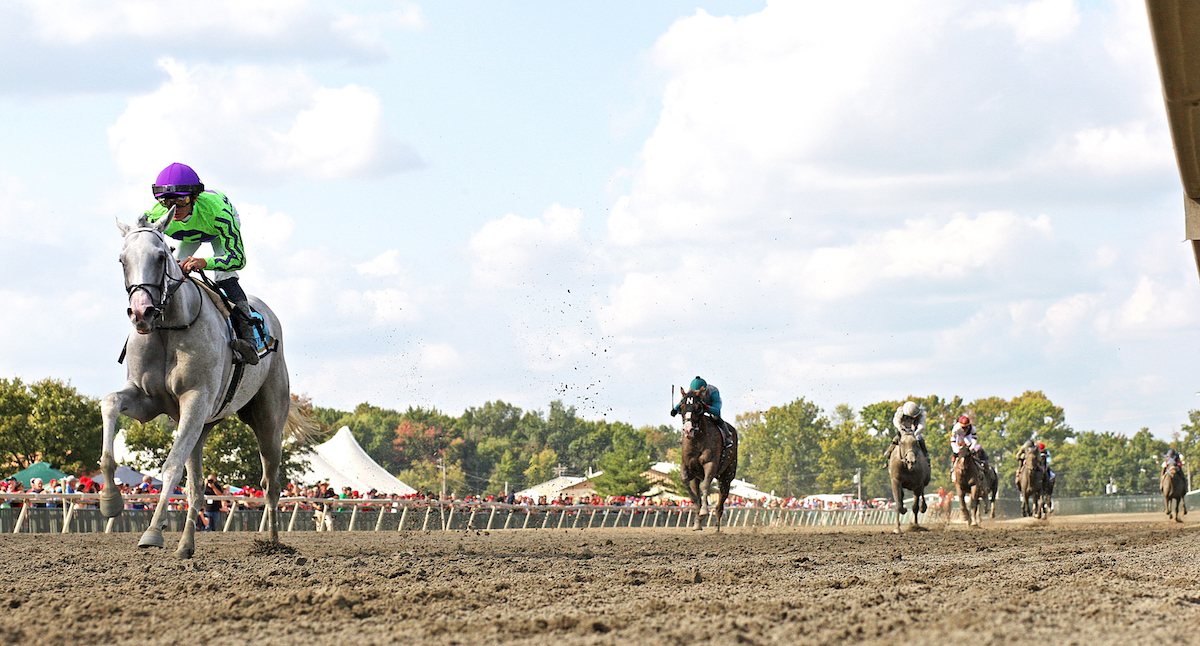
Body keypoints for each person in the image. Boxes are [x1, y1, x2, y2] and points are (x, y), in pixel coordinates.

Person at [143, 162, 259, 365]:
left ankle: (248, 339)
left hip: (213, 227)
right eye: (167, 202)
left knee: (225, 276)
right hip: (190, 234)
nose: (174, 209)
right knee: (171, 272)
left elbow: (238, 259)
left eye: (182, 200)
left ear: (195, 197)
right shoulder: (153, 217)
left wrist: (205, 262)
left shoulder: (220, 215)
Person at [670, 376, 734, 450]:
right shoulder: (689, 393)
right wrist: (675, 409)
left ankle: (727, 436)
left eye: (700, 393)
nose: (698, 395)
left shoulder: (713, 392)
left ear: (705, 390)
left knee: (715, 417)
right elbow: (682, 404)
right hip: (697, 406)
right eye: (695, 393)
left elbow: (717, 411)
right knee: (689, 415)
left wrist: (706, 407)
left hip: (710, 405)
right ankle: (684, 434)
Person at [949, 415, 983, 481]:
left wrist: (972, 447)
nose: (964, 429)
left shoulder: (972, 428)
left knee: (973, 453)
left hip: (968, 437)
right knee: (955, 455)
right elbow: (952, 440)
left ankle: (979, 468)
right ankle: (952, 469)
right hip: (958, 438)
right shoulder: (956, 428)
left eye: (966, 427)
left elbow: (974, 438)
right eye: (963, 427)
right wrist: (956, 450)